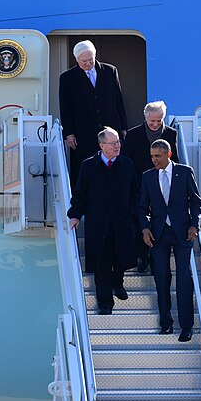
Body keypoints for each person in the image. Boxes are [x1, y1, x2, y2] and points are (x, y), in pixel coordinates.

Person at [138, 139, 201, 342]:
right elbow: (141, 207)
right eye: (151, 156)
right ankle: (166, 324)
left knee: (184, 278)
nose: (154, 160)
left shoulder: (184, 172)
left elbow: (196, 201)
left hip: (183, 232)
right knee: (161, 277)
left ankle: (187, 326)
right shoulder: (147, 177)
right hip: (158, 234)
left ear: (168, 154)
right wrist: (145, 229)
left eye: (157, 156)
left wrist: (194, 225)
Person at [68, 127, 138, 315]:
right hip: (98, 223)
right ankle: (105, 303)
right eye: (113, 143)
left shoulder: (127, 164)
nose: (117, 146)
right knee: (101, 263)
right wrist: (74, 215)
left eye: (118, 142)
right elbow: (80, 193)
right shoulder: (89, 166)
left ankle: (118, 282)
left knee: (121, 257)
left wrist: (133, 211)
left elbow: (135, 192)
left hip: (122, 220)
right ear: (102, 145)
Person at [59, 40, 128, 187]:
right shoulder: (67, 78)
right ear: (76, 59)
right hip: (83, 132)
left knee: (113, 165)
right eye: (84, 61)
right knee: (85, 168)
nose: (88, 63)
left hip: (110, 129)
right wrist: (69, 133)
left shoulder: (110, 71)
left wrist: (123, 127)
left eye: (91, 60)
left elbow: (119, 100)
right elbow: (65, 106)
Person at [121, 100, 179, 272]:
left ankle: (156, 260)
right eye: (152, 120)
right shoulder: (133, 135)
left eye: (159, 120)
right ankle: (142, 257)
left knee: (159, 221)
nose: (155, 124)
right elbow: (126, 161)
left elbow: (174, 160)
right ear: (145, 117)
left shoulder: (171, 134)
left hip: (163, 185)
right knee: (140, 221)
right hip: (139, 185)